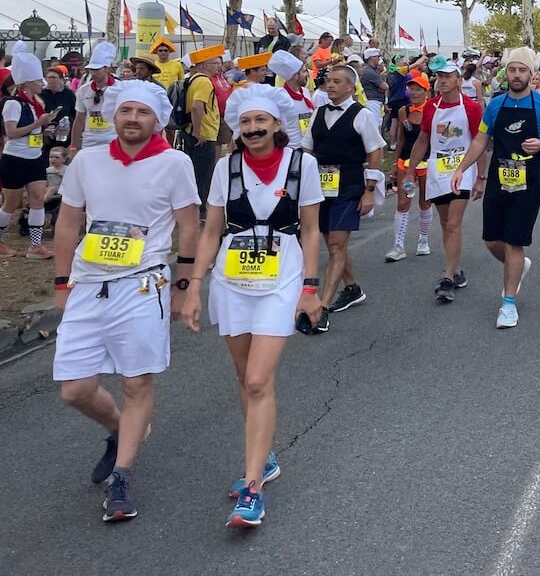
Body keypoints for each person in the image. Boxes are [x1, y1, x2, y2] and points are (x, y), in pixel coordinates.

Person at [50, 80, 200, 522]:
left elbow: (188, 227)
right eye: (126, 111)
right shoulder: (89, 161)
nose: (133, 119)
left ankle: (122, 478)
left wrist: (186, 284)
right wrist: (61, 281)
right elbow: (68, 223)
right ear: (113, 116)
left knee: (136, 384)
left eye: (143, 113)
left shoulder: (175, 163)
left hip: (142, 283)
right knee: (75, 389)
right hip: (87, 283)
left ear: (157, 121)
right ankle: (120, 429)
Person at [180, 85, 322, 528]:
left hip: (282, 280)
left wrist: (311, 288)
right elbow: (210, 230)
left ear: (278, 124)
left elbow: (312, 230)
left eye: (261, 122)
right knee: (244, 377)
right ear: (237, 127)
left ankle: (252, 485)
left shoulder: (303, 165)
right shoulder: (227, 167)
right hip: (232, 280)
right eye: (245, 122)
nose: (253, 129)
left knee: (260, 379)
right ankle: (266, 455)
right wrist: (193, 285)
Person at [451, 47, 540, 329]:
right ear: (506, 72)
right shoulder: (496, 105)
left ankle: (508, 304)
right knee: (491, 240)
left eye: (522, 70)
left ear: (531, 74)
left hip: (531, 179)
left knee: (514, 241)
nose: (516, 75)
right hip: (500, 177)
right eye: (512, 70)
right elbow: (480, 140)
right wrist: (462, 168)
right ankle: (519, 265)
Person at [303, 64, 384, 329]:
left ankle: (322, 305)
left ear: (350, 87)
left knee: (337, 242)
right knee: (332, 240)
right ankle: (352, 287)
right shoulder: (318, 112)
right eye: (328, 81)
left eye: (337, 81)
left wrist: (369, 190)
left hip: (349, 183)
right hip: (319, 184)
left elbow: (375, 152)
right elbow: (307, 149)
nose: (331, 85)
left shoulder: (362, 115)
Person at [1, 49, 57, 258]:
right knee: (11, 204)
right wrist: (38, 123)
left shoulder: (36, 104)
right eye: (37, 81)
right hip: (15, 158)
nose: (41, 84)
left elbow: (33, 130)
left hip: (34, 157)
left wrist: (46, 128)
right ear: (26, 83)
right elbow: (11, 132)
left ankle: (36, 245)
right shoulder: (13, 104)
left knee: (38, 199)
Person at [386, 68, 435, 261]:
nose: (414, 93)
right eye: (411, 89)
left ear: (426, 92)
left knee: (425, 202)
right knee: (403, 203)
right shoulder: (403, 110)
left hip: (427, 163)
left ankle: (423, 240)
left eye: (418, 90)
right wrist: (393, 165)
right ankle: (398, 246)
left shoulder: (433, 110)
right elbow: (401, 139)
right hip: (405, 164)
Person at [180, 45, 225, 217]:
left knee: (195, 173)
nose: (218, 66)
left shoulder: (192, 79)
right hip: (203, 135)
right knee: (203, 176)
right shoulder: (204, 81)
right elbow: (197, 106)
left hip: (192, 132)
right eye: (215, 63)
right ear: (204, 65)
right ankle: (200, 212)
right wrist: (198, 133)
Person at [70, 41, 119, 158]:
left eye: (97, 70)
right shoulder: (83, 90)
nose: (93, 73)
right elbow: (79, 119)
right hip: (89, 142)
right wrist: (73, 146)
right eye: (91, 70)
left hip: (113, 140)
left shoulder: (120, 88)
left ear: (107, 69)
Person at [41, 65, 77, 153]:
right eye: (49, 77)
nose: (51, 80)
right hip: (45, 135)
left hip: (64, 133)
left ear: (61, 79)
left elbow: (75, 114)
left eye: (54, 77)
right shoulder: (41, 94)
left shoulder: (68, 94)